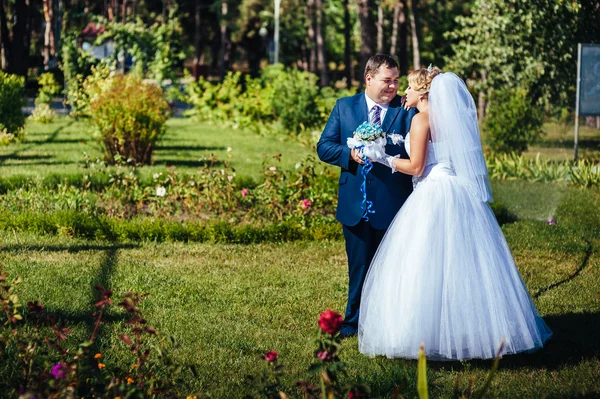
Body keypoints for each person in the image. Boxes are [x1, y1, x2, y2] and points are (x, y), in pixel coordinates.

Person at [358, 68, 552, 360]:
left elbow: (417, 167)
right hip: (457, 192)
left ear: (422, 93)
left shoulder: (422, 119)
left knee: (424, 264)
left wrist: (381, 157)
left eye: (408, 88)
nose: (404, 93)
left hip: (432, 194)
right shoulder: (450, 120)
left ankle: (424, 334)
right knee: (463, 266)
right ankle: (472, 331)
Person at [317, 55, 417, 338]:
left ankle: (390, 324)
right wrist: (349, 154)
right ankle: (353, 324)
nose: (393, 87)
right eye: (387, 80)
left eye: (396, 81)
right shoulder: (344, 107)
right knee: (359, 267)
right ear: (369, 78)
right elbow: (324, 146)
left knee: (393, 269)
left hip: (394, 203)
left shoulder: (406, 110)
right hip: (355, 204)